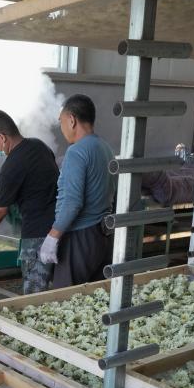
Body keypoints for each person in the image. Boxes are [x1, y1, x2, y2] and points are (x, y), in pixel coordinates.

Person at [0, 110, 59, 294]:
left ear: (2, 137)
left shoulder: (11, 166)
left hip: (36, 238)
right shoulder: (39, 146)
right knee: (56, 290)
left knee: (34, 294)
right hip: (58, 231)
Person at [39, 94, 116, 288]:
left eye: (61, 121)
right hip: (103, 236)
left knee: (64, 300)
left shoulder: (76, 152)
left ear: (71, 120)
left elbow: (72, 203)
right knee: (93, 298)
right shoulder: (105, 148)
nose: (62, 127)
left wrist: (52, 237)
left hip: (79, 238)